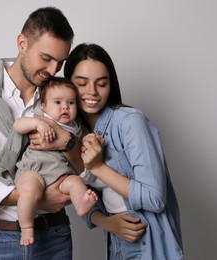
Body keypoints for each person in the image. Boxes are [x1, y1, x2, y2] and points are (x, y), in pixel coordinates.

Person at [0, 7, 81, 259]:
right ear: (22, 43)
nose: (53, 70)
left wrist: (67, 141)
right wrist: (33, 198)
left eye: (60, 62)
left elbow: (83, 164)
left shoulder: (60, 97)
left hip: (55, 235)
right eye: (46, 58)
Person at [64, 43, 184, 259]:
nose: (92, 91)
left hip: (147, 239)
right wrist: (107, 222)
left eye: (102, 83)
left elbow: (154, 198)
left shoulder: (130, 122)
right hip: (117, 240)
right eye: (81, 83)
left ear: (111, 85)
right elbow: (81, 196)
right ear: (69, 85)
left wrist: (98, 167)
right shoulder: (74, 133)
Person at [13, 77, 98, 245]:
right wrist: (37, 124)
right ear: (43, 106)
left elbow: (82, 155)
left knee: (75, 182)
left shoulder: (77, 127)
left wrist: (91, 140)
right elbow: (17, 125)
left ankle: (81, 204)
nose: (65, 107)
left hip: (60, 175)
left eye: (71, 103)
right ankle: (27, 227)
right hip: (34, 170)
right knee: (29, 190)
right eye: (57, 102)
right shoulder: (41, 118)